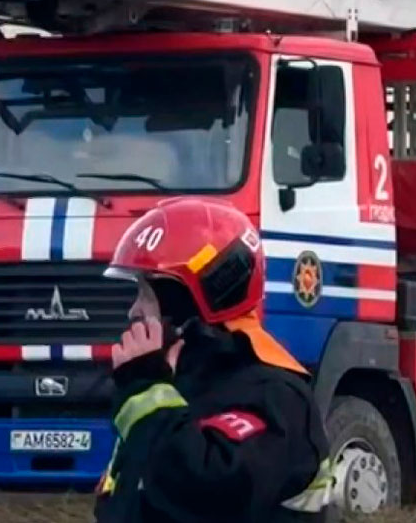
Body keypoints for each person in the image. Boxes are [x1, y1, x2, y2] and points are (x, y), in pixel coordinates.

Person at [93, 197, 332, 523]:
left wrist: (145, 392)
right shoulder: (176, 386)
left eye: (146, 295)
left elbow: (204, 492)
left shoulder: (274, 396)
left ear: (185, 303)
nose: (133, 311)